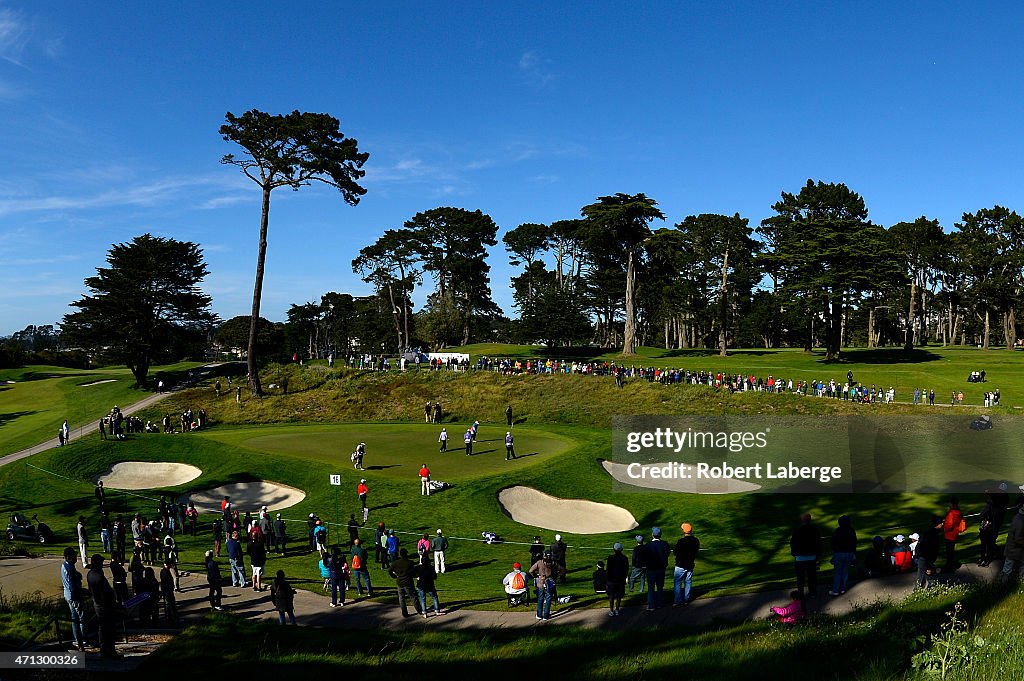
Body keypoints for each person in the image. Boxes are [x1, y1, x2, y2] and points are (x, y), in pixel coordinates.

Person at [87, 554, 122, 659]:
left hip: (98, 604)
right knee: (109, 629)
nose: (102, 565)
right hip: (105, 605)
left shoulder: (90, 574)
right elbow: (107, 592)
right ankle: (110, 651)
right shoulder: (98, 576)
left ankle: (104, 650)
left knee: (102, 628)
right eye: (100, 563)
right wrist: (114, 602)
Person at [790, 513, 822, 598]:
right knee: (812, 577)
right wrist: (818, 555)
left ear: (802, 520)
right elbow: (818, 543)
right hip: (811, 557)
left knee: (800, 578)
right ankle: (813, 593)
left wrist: (794, 553)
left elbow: (793, 544)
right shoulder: (814, 530)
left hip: (800, 558)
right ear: (810, 520)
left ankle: (800, 594)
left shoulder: (797, 531)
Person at [61, 548, 87, 650]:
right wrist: (82, 592)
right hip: (74, 596)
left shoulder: (65, 565)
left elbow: (76, 575)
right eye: (74, 556)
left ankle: (78, 639)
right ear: (68, 557)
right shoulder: (70, 569)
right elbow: (73, 586)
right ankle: (83, 639)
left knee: (74, 618)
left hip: (67, 595)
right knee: (82, 618)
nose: (76, 558)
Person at [529, 550, 565, 620]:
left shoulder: (539, 563)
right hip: (550, 582)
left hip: (541, 582)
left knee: (540, 599)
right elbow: (562, 570)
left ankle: (539, 615)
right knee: (548, 599)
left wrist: (535, 576)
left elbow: (531, 571)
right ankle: (546, 615)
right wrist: (556, 575)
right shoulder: (553, 563)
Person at [673, 522, 700, 606]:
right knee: (688, 582)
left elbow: (675, 552)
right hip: (690, 564)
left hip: (680, 565)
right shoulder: (695, 541)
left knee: (678, 583)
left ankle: (678, 601)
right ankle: (686, 599)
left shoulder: (681, 541)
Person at [829, 515, 857, 596]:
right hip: (849, 553)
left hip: (839, 553)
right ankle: (842, 589)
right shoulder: (851, 531)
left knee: (838, 572)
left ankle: (836, 590)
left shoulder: (838, 531)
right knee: (845, 572)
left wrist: (834, 551)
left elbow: (833, 542)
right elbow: (854, 542)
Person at [645, 527, 670, 610]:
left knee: (651, 588)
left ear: (652, 534)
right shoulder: (664, 544)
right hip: (661, 569)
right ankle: (659, 604)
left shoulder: (648, 545)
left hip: (651, 569)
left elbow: (645, 556)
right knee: (660, 587)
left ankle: (651, 605)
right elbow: (667, 554)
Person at [389, 548, 419, 617]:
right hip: (408, 582)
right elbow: (413, 572)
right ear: (406, 554)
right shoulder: (410, 562)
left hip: (399, 582)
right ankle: (419, 610)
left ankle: (404, 613)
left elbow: (390, 570)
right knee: (413, 596)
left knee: (401, 598)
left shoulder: (396, 563)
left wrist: (394, 576)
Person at [915, 517, 942, 589]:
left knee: (921, 577)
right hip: (926, 559)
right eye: (941, 523)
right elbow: (929, 550)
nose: (942, 524)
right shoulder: (933, 535)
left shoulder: (928, 532)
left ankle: (918, 593)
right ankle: (929, 594)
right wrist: (928, 567)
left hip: (923, 558)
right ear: (937, 524)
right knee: (931, 579)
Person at [1000, 504, 1024, 583]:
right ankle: (1018, 582)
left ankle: (1003, 584)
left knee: (1007, 568)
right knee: (1009, 569)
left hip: (1011, 548)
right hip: (1015, 549)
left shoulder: (1017, 517)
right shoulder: (1021, 522)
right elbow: (1018, 538)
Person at [415, 554, 442, 618]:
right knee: (434, 597)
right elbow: (435, 577)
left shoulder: (418, 567)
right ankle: (437, 611)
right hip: (430, 585)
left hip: (421, 585)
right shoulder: (431, 568)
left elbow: (411, 572)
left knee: (422, 599)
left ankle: (424, 613)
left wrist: (417, 576)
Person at [942, 498, 965, 570]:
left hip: (949, 535)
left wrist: (944, 527)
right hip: (954, 533)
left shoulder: (951, 513)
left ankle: (949, 566)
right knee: (951, 550)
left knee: (949, 551)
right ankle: (950, 564)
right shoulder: (958, 512)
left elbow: (949, 525)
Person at [606, 542, 629, 616]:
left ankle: (612, 610)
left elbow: (608, 569)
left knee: (611, 596)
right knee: (619, 596)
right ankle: (617, 609)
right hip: (620, 580)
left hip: (612, 580)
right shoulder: (624, 558)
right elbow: (626, 569)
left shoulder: (610, 558)